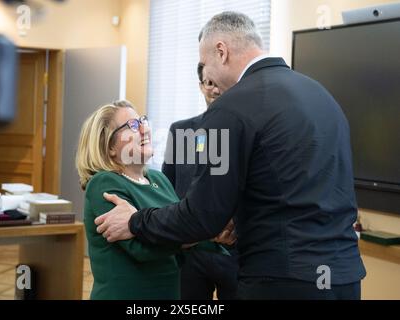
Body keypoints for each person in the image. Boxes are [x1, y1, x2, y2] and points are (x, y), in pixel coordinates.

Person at [95, 11, 367, 300]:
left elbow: (202, 217)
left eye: (204, 65)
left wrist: (136, 221)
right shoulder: (321, 96)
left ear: (221, 52)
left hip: (281, 280)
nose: (206, 79)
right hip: (342, 276)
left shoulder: (231, 108)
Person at [76, 100, 233, 300]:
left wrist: (214, 233)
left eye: (143, 120)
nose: (144, 129)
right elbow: (141, 248)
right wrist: (201, 233)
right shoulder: (103, 183)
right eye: (132, 126)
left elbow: (178, 227)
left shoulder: (158, 178)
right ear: (109, 147)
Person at [162, 64, 238, 300]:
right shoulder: (181, 131)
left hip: (235, 253)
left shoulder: (246, 131)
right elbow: (167, 190)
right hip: (189, 254)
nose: (215, 90)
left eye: (220, 83)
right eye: (209, 83)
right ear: (201, 86)